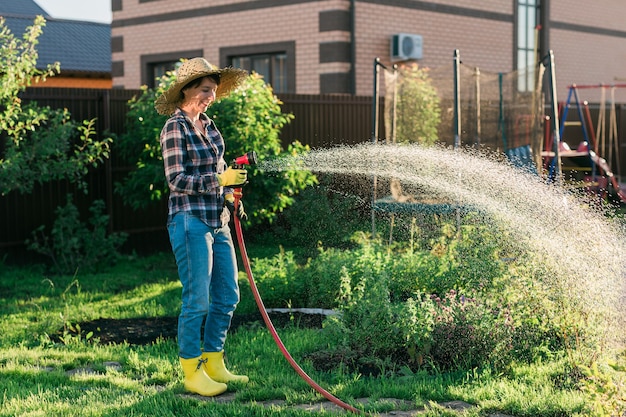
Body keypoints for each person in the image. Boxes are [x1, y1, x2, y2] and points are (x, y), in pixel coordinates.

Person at [155, 57, 249, 397]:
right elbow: (176, 179)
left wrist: (230, 191)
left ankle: (214, 362)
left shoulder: (209, 127)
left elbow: (219, 172)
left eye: (213, 91)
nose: (211, 97)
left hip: (218, 219)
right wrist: (218, 179)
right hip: (189, 221)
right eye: (205, 90)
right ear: (187, 90)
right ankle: (191, 371)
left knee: (227, 296)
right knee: (197, 301)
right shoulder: (174, 128)